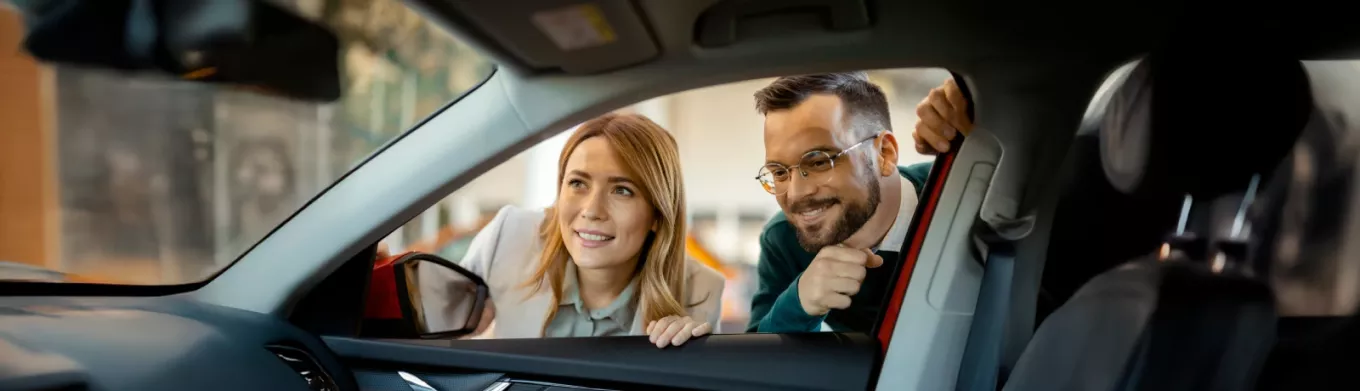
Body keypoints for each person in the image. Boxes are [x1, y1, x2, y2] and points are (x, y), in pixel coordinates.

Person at [447, 113, 725, 348]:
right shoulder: (509, 236)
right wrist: (458, 327)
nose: (592, 210)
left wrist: (687, 356)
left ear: (657, 213)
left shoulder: (699, 291)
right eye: (578, 183)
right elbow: (435, 326)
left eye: (622, 190)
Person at [746, 73, 969, 333]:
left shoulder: (962, 193)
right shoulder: (784, 239)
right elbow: (759, 362)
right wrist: (797, 305)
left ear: (884, 154)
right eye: (780, 172)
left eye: (818, 162)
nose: (795, 195)